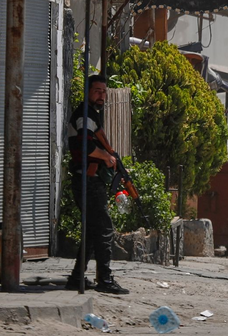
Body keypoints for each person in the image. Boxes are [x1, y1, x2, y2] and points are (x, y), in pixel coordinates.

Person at [65, 74, 129, 295]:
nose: (101, 96)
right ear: (87, 92)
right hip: (88, 180)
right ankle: (105, 279)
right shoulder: (85, 116)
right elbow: (86, 147)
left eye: (104, 92)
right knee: (103, 229)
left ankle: (76, 278)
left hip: (90, 180)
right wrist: (107, 157)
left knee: (93, 230)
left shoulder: (92, 115)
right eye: (97, 91)